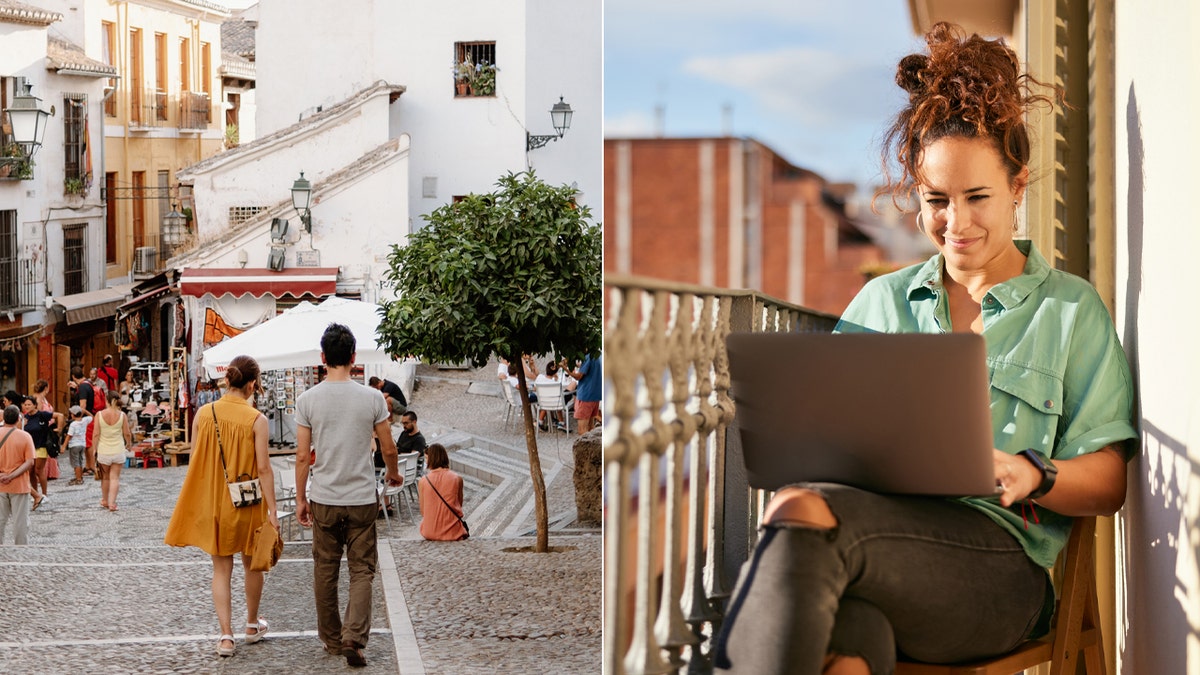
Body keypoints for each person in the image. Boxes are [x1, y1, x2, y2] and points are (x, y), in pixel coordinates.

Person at [712, 24, 1138, 675]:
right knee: (850, 642)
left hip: (1001, 574)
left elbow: (1109, 482)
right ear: (916, 191)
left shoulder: (1068, 309)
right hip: (880, 554)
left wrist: (1034, 473)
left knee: (799, 513)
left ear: (1018, 186)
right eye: (936, 200)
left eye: (977, 198)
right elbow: (827, 437)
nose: (957, 222)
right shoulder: (879, 306)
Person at [295, 324, 401, 668]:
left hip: (324, 495)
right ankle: (353, 637)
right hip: (361, 497)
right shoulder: (372, 398)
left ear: (323, 358)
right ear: (354, 358)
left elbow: (300, 456)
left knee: (325, 568)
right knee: (362, 570)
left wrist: (300, 499)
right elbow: (388, 446)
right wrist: (394, 473)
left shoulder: (307, 400)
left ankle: (330, 638)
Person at [164, 355, 277, 658]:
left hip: (216, 503)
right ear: (252, 383)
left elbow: (196, 460)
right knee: (253, 564)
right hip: (249, 504)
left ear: (227, 380)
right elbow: (264, 469)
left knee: (220, 569)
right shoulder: (257, 420)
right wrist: (274, 512)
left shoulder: (203, 414)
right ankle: (252, 626)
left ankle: (226, 637)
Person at [417, 443, 467, 541]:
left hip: (429, 531)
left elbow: (423, 512)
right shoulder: (457, 479)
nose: (426, 463)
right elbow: (459, 505)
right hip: (453, 532)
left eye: (427, 459)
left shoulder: (423, 481)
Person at [0, 405, 35, 545]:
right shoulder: (25, 436)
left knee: (0, 520)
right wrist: (12, 475)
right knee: (20, 521)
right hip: (19, 484)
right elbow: (29, 462)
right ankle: (21, 549)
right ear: (17, 419)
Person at [22, 392, 62, 511]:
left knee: (39, 470)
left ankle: (44, 494)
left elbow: (59, 415)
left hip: (41, 446)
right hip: (29, 447)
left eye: (29, 404)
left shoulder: (42, 415)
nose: (27, 407)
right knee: (30, 472)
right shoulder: (25, 418)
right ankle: (35, 493)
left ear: (35, 405)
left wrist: (59, 428)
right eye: (25, 405)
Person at [93, 390, 131, 512]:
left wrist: (94, 448)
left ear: (107, 401)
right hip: (118, 450)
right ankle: (112, 503)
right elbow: (127, 433)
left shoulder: (99, 415)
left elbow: (96, 434)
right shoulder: (122, 415)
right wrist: (129, 444)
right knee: (115, 478)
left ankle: (104, 500)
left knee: (105, 477)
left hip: (104, 451)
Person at [569, 354, 602, 435]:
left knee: (582, 431)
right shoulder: (597, 354)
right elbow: (588, 367)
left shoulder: (587, 357)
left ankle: (585, 447)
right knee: (591, 428)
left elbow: (579, 376)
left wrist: (566, 369)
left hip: (585, 396)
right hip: (595, 396)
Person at [64, 405, 92, 486]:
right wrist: (85, 410)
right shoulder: (85, 420)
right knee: (80, 461)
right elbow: (91, 416)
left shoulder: (73, 424)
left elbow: (69, 436)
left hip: (74, 445)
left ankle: (79, 479)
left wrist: (63, 446)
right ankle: (79, 477)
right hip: (82, 444)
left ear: (73, 414)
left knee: (75, 463)